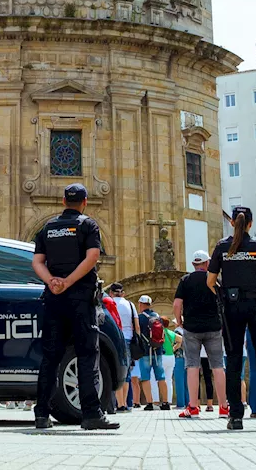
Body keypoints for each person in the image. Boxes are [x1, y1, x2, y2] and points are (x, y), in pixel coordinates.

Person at [31, 183, 119, 431]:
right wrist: (69, 282)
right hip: (80, 299)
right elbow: (92, 257)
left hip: (54, 298)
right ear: (85, 202)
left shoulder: (48, 228)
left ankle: (41, 414)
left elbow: (37, 262)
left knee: (51, 357)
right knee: (87, 354)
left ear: (62, 202)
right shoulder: (87, 225)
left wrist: (52, 281)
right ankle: (91, 414)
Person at [207, 206, 256, 431]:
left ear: (232, 223)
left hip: (232, 308)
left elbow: (210, 282)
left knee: (234, 360)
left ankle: (236, 417)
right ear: (250, 223)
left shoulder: (222, 247)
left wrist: (224, 294)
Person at [173, 250, 225, 419]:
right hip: (213, 328)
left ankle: (193, 407)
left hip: (192, 328)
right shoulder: (213, 280)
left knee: (193, 367)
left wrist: (179, 321)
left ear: (194, 264)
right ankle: (224, 407)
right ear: (207, 263)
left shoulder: (185, 280)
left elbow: (176, 304)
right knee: (217, 366)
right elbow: (223, 302)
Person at [136, 295, 170, 411]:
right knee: (161, 377)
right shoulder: (157, 317)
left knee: (145, 377)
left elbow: (137, 333)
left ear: (140, 304)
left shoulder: (140, 318)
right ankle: (165, 403)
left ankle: (150, 403)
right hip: (158, 350)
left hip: (145, 351)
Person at [108, 282, 138, 412]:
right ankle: (124, 403)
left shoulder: (109, 303)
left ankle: (118, 403)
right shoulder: (130, 305)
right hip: (129, 339)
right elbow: (136, 326)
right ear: (123, 293)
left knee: (115, 370)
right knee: (126, 372)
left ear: (111, 293)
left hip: (114, 338)